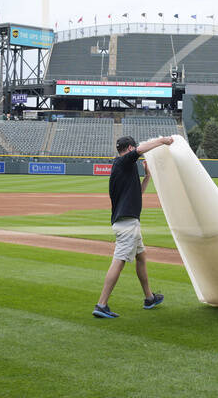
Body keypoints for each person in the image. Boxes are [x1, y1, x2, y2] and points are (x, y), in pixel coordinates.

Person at [93, 135, 174, 319]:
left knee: (141, 257)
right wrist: (163, 141)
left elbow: (138, 194)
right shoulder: (123, 162)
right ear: (129, 148)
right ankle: (101, 304)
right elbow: (141, 150)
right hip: (127, 223)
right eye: (134, 149)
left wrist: (147, 176)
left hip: (128, 222)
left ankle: (149, 298)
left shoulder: (122, 167)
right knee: (119, 260)